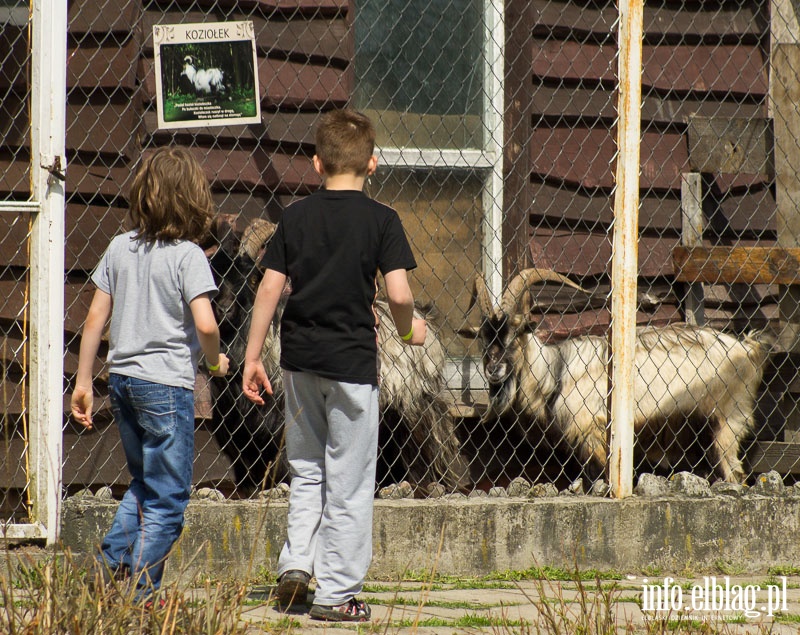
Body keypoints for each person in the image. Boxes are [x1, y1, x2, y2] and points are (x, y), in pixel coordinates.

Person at [242, 108, 426, 622]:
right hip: (352, 367)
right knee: (348, 478)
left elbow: (270, 289)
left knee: (306, 470)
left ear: (316, 163)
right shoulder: (382, 220)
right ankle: (337, 593)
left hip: (299, 364)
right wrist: (412, 328)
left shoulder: (295, 218)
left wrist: (254, 357)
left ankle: (297, 566)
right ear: (372, 164)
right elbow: (398, 292)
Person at [70, 146, 230, 601]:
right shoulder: (189, 256)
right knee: (170, 499)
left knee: (144, 485)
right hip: (165, 387)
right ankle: (142, 595)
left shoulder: (120, 247)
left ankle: (105, 572)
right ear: (194, 200)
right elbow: (204, 323)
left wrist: (84, 383)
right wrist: (216, 361)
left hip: (122, 381)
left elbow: (95, 320)